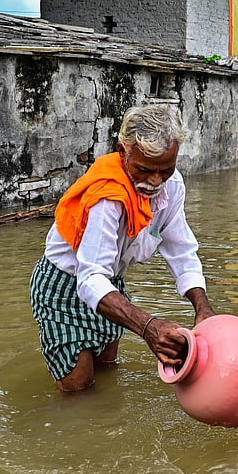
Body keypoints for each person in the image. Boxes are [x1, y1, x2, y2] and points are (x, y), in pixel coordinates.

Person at [29, 104, 215, 392]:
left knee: (108, 371)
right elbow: (90, 278)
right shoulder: (107, 197)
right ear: (122, 152)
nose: (155, 182)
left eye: (165, 170)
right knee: (79, 389)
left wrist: (203, 308)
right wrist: (148, 327)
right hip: (63, 286)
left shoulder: (173, 186)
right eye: (144, 170)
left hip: (110, 284)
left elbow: (181, 250)